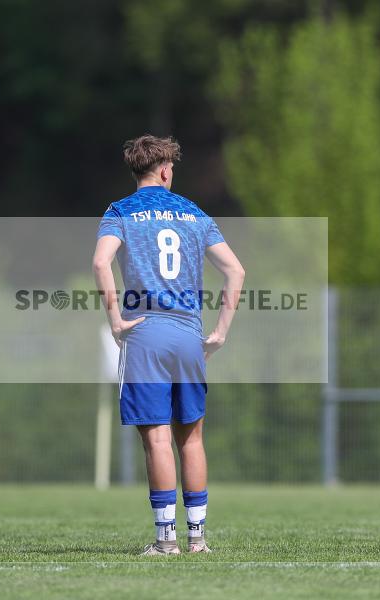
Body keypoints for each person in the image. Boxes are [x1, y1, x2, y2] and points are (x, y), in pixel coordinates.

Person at [92, 134, 245, 555]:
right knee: (191, 438)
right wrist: (220, 332)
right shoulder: (194, 213)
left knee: (157, 439)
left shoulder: (120, 211)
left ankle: (166, 541)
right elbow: (236, 271)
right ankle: (198, 539)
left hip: (145, 331)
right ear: (164, 169)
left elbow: (101, 262)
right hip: (187, 333)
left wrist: (116, 321)